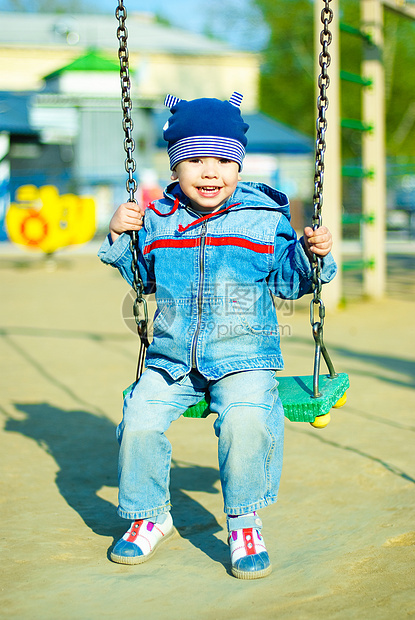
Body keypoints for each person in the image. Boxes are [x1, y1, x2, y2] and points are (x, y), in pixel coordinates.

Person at [98, 92, 336, 580]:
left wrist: (314, 255)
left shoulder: (265, 218)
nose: (211, 172)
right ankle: (150, 515)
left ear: (239, 164)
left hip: (244, 356)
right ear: (175, 167)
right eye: (196, 160)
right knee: (138, 420)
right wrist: (122, 238)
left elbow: (290, 283)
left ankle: (244, 519)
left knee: (245, 420)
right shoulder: (159, 218)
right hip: (171, 359)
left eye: (224, 160)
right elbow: (144, 280)